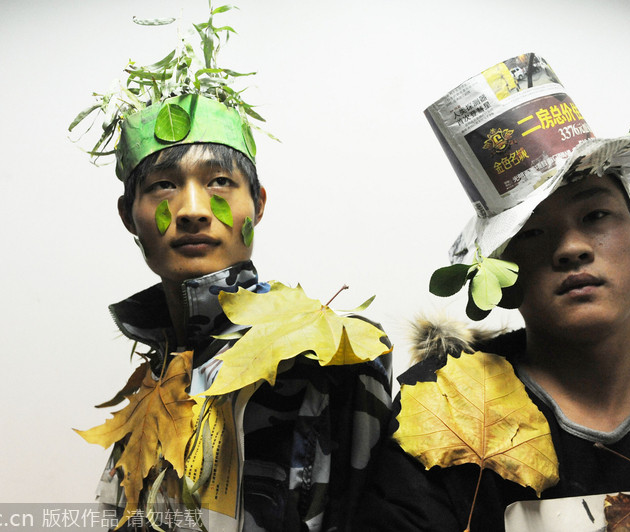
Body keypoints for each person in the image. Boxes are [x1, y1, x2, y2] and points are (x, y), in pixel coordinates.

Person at [70, 10, 393, 532]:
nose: (194, 208)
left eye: (219, 181)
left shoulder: (328, 354)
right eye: (162, 186)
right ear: (129, 215)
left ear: (257, 203)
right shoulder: (152, 383)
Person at [357, 53, 630, 531]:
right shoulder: (441, 412)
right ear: (503, 278)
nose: (572, 248)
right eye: (531, 233)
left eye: (595, 216)